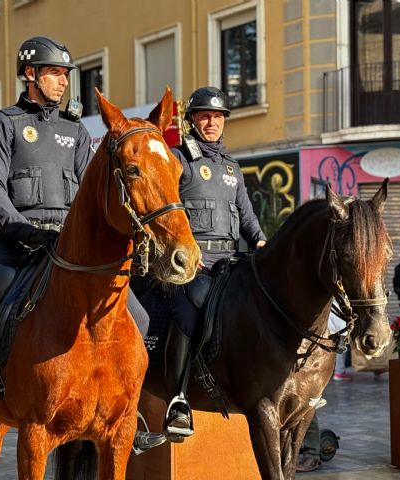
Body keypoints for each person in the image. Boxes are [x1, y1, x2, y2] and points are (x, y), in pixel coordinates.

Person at [0, 35, 164, 464]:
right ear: (30, 75)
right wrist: (24, 231)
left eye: (65, 75)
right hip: (15, 247)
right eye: (55, 73)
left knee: (141, 315)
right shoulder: (3, 124)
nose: (62, 82)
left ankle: (129, 416)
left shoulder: (76, 131)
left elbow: (93, 195)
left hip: (68, 249)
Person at [161, 86, 266, 440]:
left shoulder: (231, 167)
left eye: (218, 117)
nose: (212, 123)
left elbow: (247, 216)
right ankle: (177, 397)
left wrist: (261, 241)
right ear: (191, 121)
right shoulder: (177, 160)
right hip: (193, 264)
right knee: (190, 311)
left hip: (231, 261)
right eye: (205, 116)